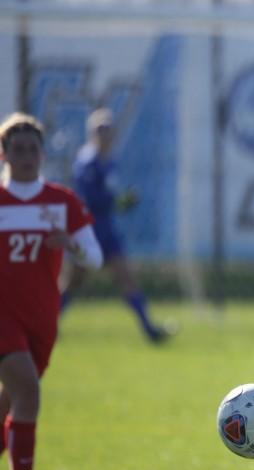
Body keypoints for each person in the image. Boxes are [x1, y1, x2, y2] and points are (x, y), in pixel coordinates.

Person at [0, 112, 103, 470]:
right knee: (29, 393)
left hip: (42, 319)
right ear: (4, 153)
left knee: (13, 399)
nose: (26, 156)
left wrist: (69, 246)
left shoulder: (62, 201)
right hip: (3, 317)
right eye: (17, 149)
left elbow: (93, 256)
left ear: (43, 154)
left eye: (32, 149)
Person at [60, 108, 170, 343]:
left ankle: (149, 329)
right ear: (91, 133)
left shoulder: (109, 161)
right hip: (87, 231)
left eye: (108, 129)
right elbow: (90, 199)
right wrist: (118, 202)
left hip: (106, 231)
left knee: (126, 278)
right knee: (71, 283)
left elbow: (107, 200)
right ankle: (45, 325)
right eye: (100, 129)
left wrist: (122, 203)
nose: (105, 134)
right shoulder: (86, 162)